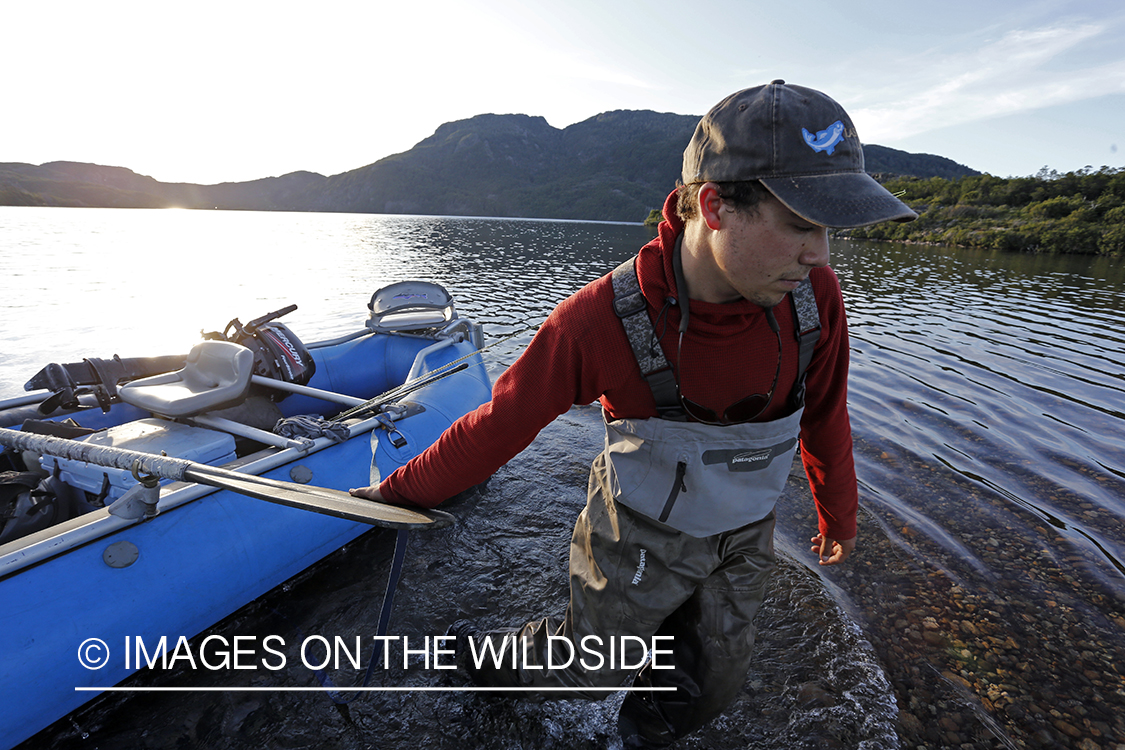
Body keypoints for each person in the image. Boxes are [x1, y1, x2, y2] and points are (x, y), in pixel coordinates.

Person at [350, 80, 916, 748]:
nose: (820, 253)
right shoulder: (600, 321)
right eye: (799, 224)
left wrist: (837, 512)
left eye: (827, 228)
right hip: (639, 527)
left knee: (712, 686)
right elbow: (500, 425)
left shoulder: (814, 298)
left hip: (744, 531)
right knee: (586, 669)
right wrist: (396, 492)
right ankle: (483, 660)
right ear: (715, 205)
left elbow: (824, 409)